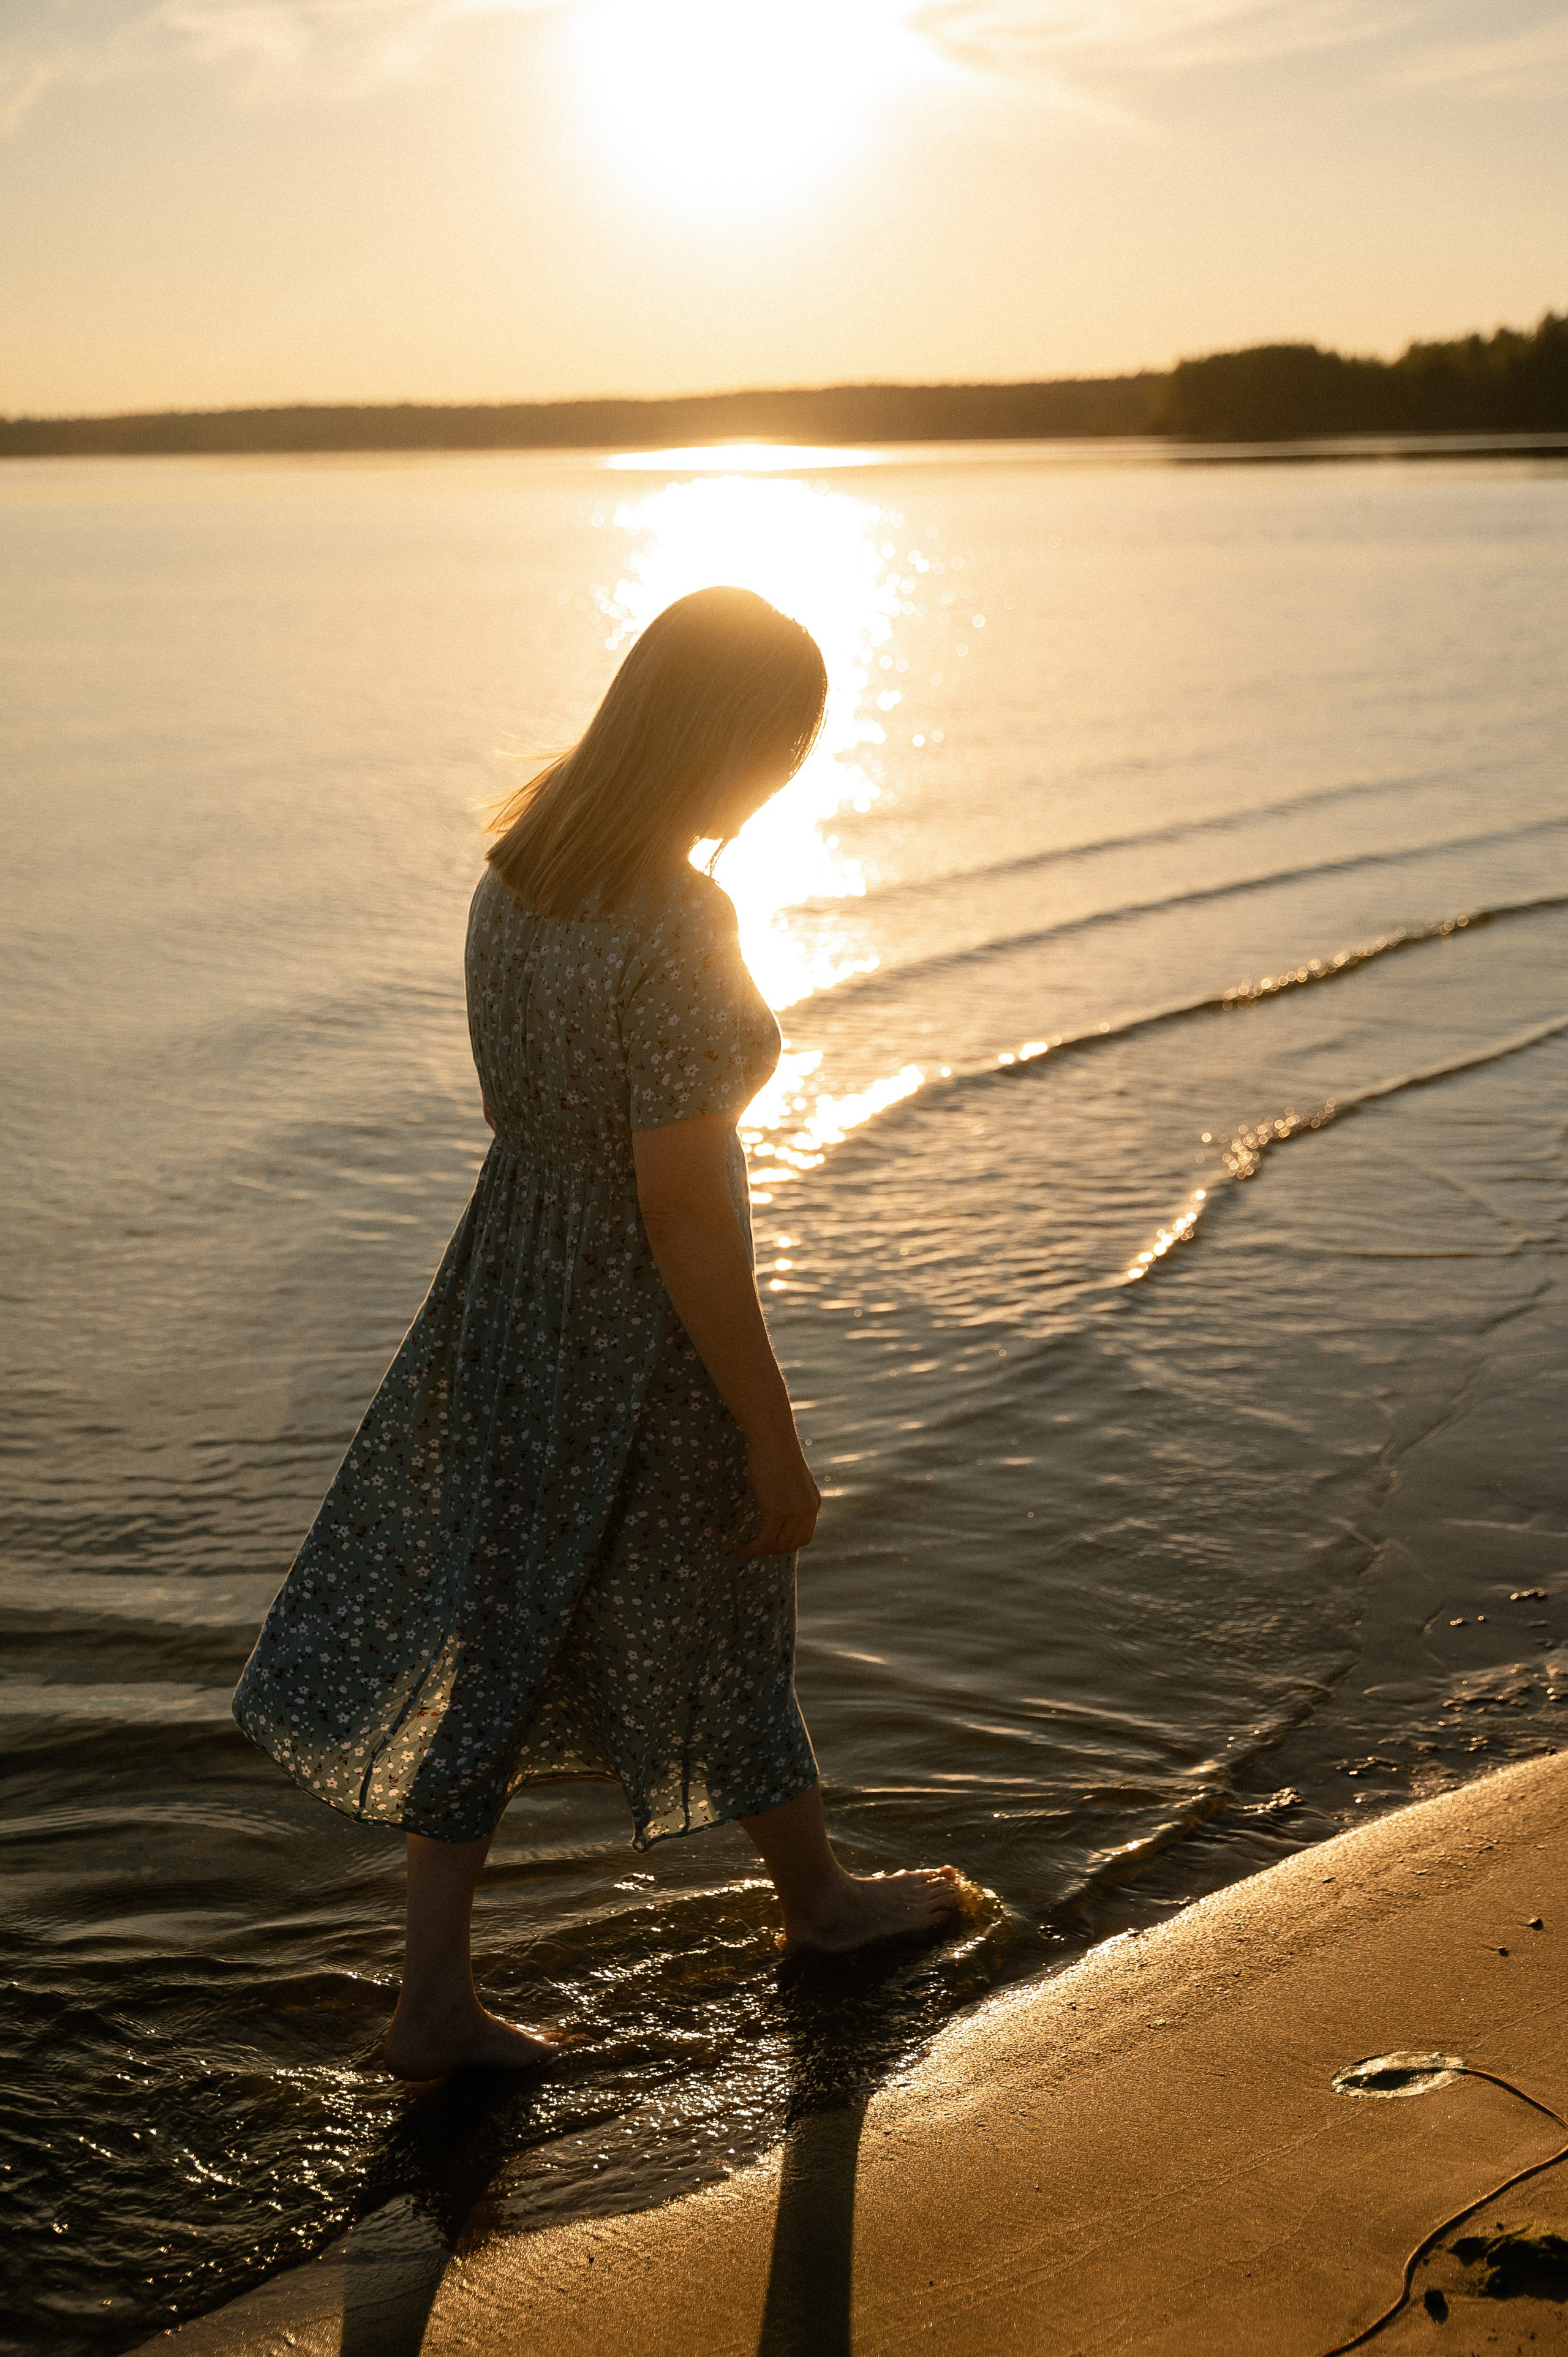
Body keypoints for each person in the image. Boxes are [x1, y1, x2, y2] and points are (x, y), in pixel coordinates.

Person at [232, 585, 963, 2079]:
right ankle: (806, 1910)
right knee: (732, 1596)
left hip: (509, 1281)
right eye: (785, 744)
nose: (788, 777)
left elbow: (551, 1119)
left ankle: (444, 1990)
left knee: (505, 1621)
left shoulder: (521, 870)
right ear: (727, 739)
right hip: (636, 1319)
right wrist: (769, 1423)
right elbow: (682, 1201)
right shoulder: (675, 915)